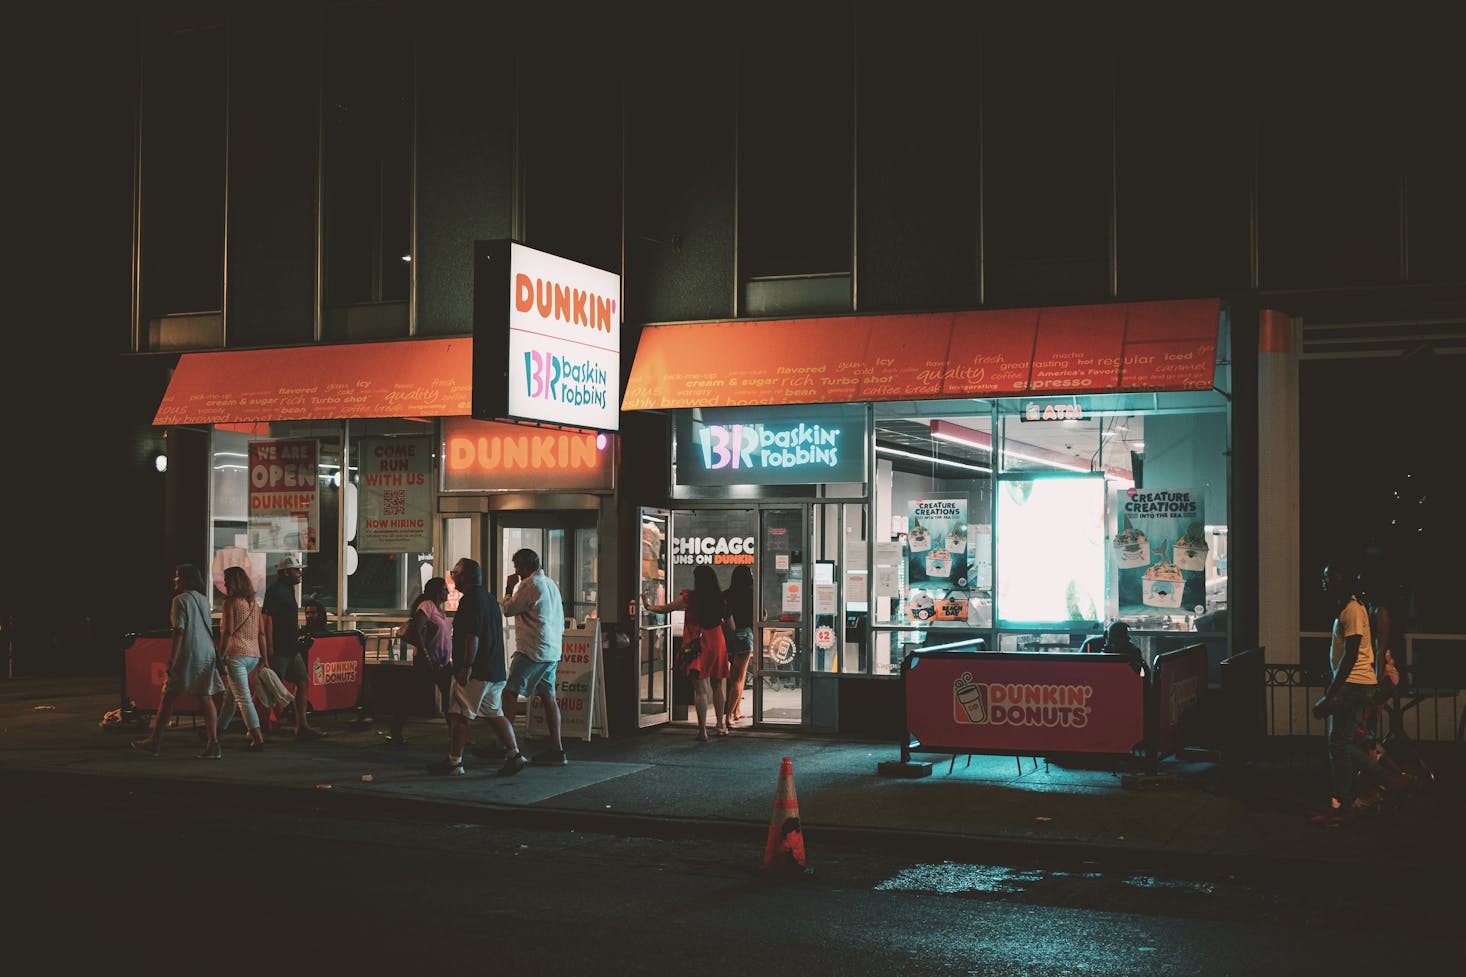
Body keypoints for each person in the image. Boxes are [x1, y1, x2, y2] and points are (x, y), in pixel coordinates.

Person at [1310, 562, 1387, 825]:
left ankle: (1346, 805)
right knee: (1341, 743)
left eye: (1328, 576)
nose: (1324, 581)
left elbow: (1351, 654)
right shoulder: (1349, 608)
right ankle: (1386, 781)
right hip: (1354, 684)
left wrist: (1331, 694)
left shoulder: (1353, 610)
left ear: (1341, 579)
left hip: (1352, 684)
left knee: (1338, 743)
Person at [429, 557, 521, 776]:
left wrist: (466, 666)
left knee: (459, 714)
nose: (452, 577)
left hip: (475, 671)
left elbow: (472, 636)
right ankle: (515, 755)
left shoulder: (470, 601)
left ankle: (454, 763)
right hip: (495, 670)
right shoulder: (489, 599)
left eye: (455, 573)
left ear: (466, 577)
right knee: (495, 713)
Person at [133, 564, 226, 758]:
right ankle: (213, 742)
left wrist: (173, 659)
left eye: (177, 576)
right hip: (206, 652)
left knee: (168, 696)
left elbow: (179, 631)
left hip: (188, 654)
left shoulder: (179, 601)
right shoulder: (202, 599)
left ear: (185, 579)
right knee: (204, 696)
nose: (174, 580)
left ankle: (155, 742)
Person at [642, 564, 731, 741]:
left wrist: (648, 606)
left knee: (700, 689)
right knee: (717, 684)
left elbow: (666, 608)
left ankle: (702, 731)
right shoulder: (720, 599)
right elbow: (731, 625)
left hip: (698, 643)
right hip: (717, 641)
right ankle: (721, 724)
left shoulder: (690, 597)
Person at [498, 548, 568, 767]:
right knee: (548, 697)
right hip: (551, 649)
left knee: (509, 693)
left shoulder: (529, 585)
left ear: (522, 567)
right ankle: (557, 748)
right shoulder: (550, 584)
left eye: (517, 567)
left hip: (532, 649)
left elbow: (509, 609)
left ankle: (509, 746)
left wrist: (508, 589)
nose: (516, 571)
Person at [261, 556, 326, 740]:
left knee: (303, 681)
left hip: (290, 647)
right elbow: (267, 619)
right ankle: (260, 726)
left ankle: (301, 725)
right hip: (280, 648)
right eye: (296, 570)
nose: (300, 573)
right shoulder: (276, 591)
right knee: (271, 688)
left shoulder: (287, 589)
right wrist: (270, 646)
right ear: (285, 572)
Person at [385, 577, 453, 746]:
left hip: (442, 663)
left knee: (450, 699)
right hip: (427, 661)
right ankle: (396, 729)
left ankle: (456, 734)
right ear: (437, 592)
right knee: (412, 695)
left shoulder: (440, 611)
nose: (448, 592)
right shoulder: (427, 606)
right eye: (445, 589)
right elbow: (417, 629)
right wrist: (425, 654)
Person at [214, 565, 267, 753]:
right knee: (231, 696)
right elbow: (261, 633)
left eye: (227, 580)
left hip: (235, 654)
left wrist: (220, 654)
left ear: (233, 582)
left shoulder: (231, 603)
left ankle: (257, 738)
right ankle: (216, 733)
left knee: (243, 698)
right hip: (253, 655)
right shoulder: (254, 604)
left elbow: (227, 631)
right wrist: (264, 659)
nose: (225, 584)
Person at [724, 564, 756, 727]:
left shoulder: (726, 594)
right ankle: (729, 716)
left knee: (732, 676)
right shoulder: (752, 594)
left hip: (727, 636)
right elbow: (761, 615)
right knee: (738, 678)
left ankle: (736, 710)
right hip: (744, 636)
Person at [1080, 620, 1147, 676]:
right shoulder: (1090, 645)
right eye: (1113, 638)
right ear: (1105, 635)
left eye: (1121, 638)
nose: (1115, 644)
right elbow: (1078, 668)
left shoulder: (1133, 652)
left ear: (1127, 639)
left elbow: (1141, 675)